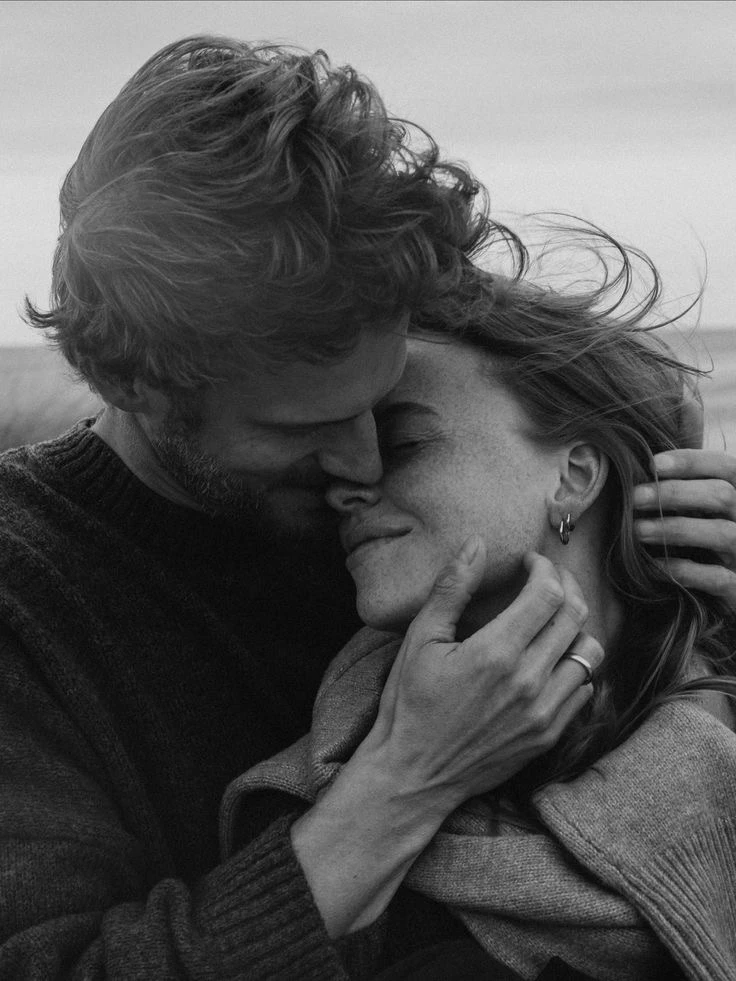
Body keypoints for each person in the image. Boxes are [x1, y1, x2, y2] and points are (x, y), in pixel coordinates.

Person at [1, 32, 734, 979]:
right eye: (303, 425)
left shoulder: (417, 518)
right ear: (135, 387)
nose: (358, 464)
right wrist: (405, 783)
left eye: (385, 410)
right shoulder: (26, 599)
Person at [225, 239, 736, 980]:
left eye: (402, 441)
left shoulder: (717, 739)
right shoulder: (311, 789)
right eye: (330, 450)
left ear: (575, 475)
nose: (348, 480)